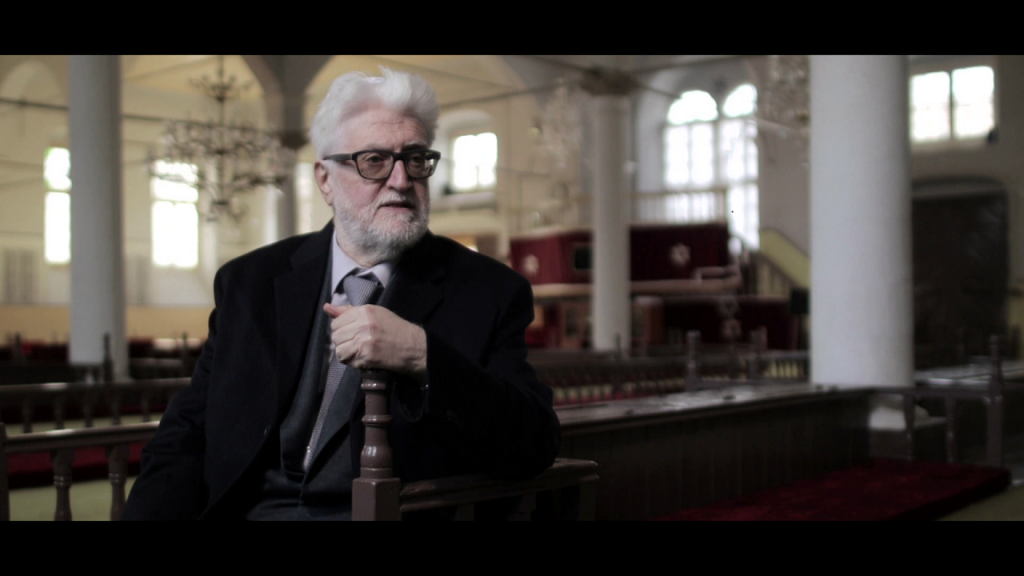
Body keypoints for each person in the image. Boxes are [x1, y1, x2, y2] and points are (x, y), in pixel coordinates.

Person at [122, 68, 561, 520]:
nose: (400, 180)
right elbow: (186, 432)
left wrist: (422, 355)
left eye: (415, 159)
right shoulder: (250, 282)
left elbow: (533, 444)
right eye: (374, 160)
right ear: (325, 180)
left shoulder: (488, 290)